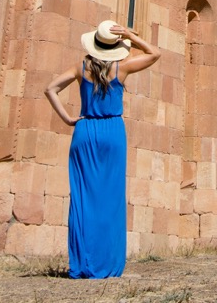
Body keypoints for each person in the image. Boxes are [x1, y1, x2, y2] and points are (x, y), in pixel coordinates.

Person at [44, 20, 160, 278]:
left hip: (85, 132)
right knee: (111, 199)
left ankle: (83, 263)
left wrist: (66, 118)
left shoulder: (79, 67)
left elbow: (50, 88)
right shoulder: (123, 68)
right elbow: (155, 54)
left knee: (83, 199)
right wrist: (131, 35)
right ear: (115, 46)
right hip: (112, 132)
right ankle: (108, 264)